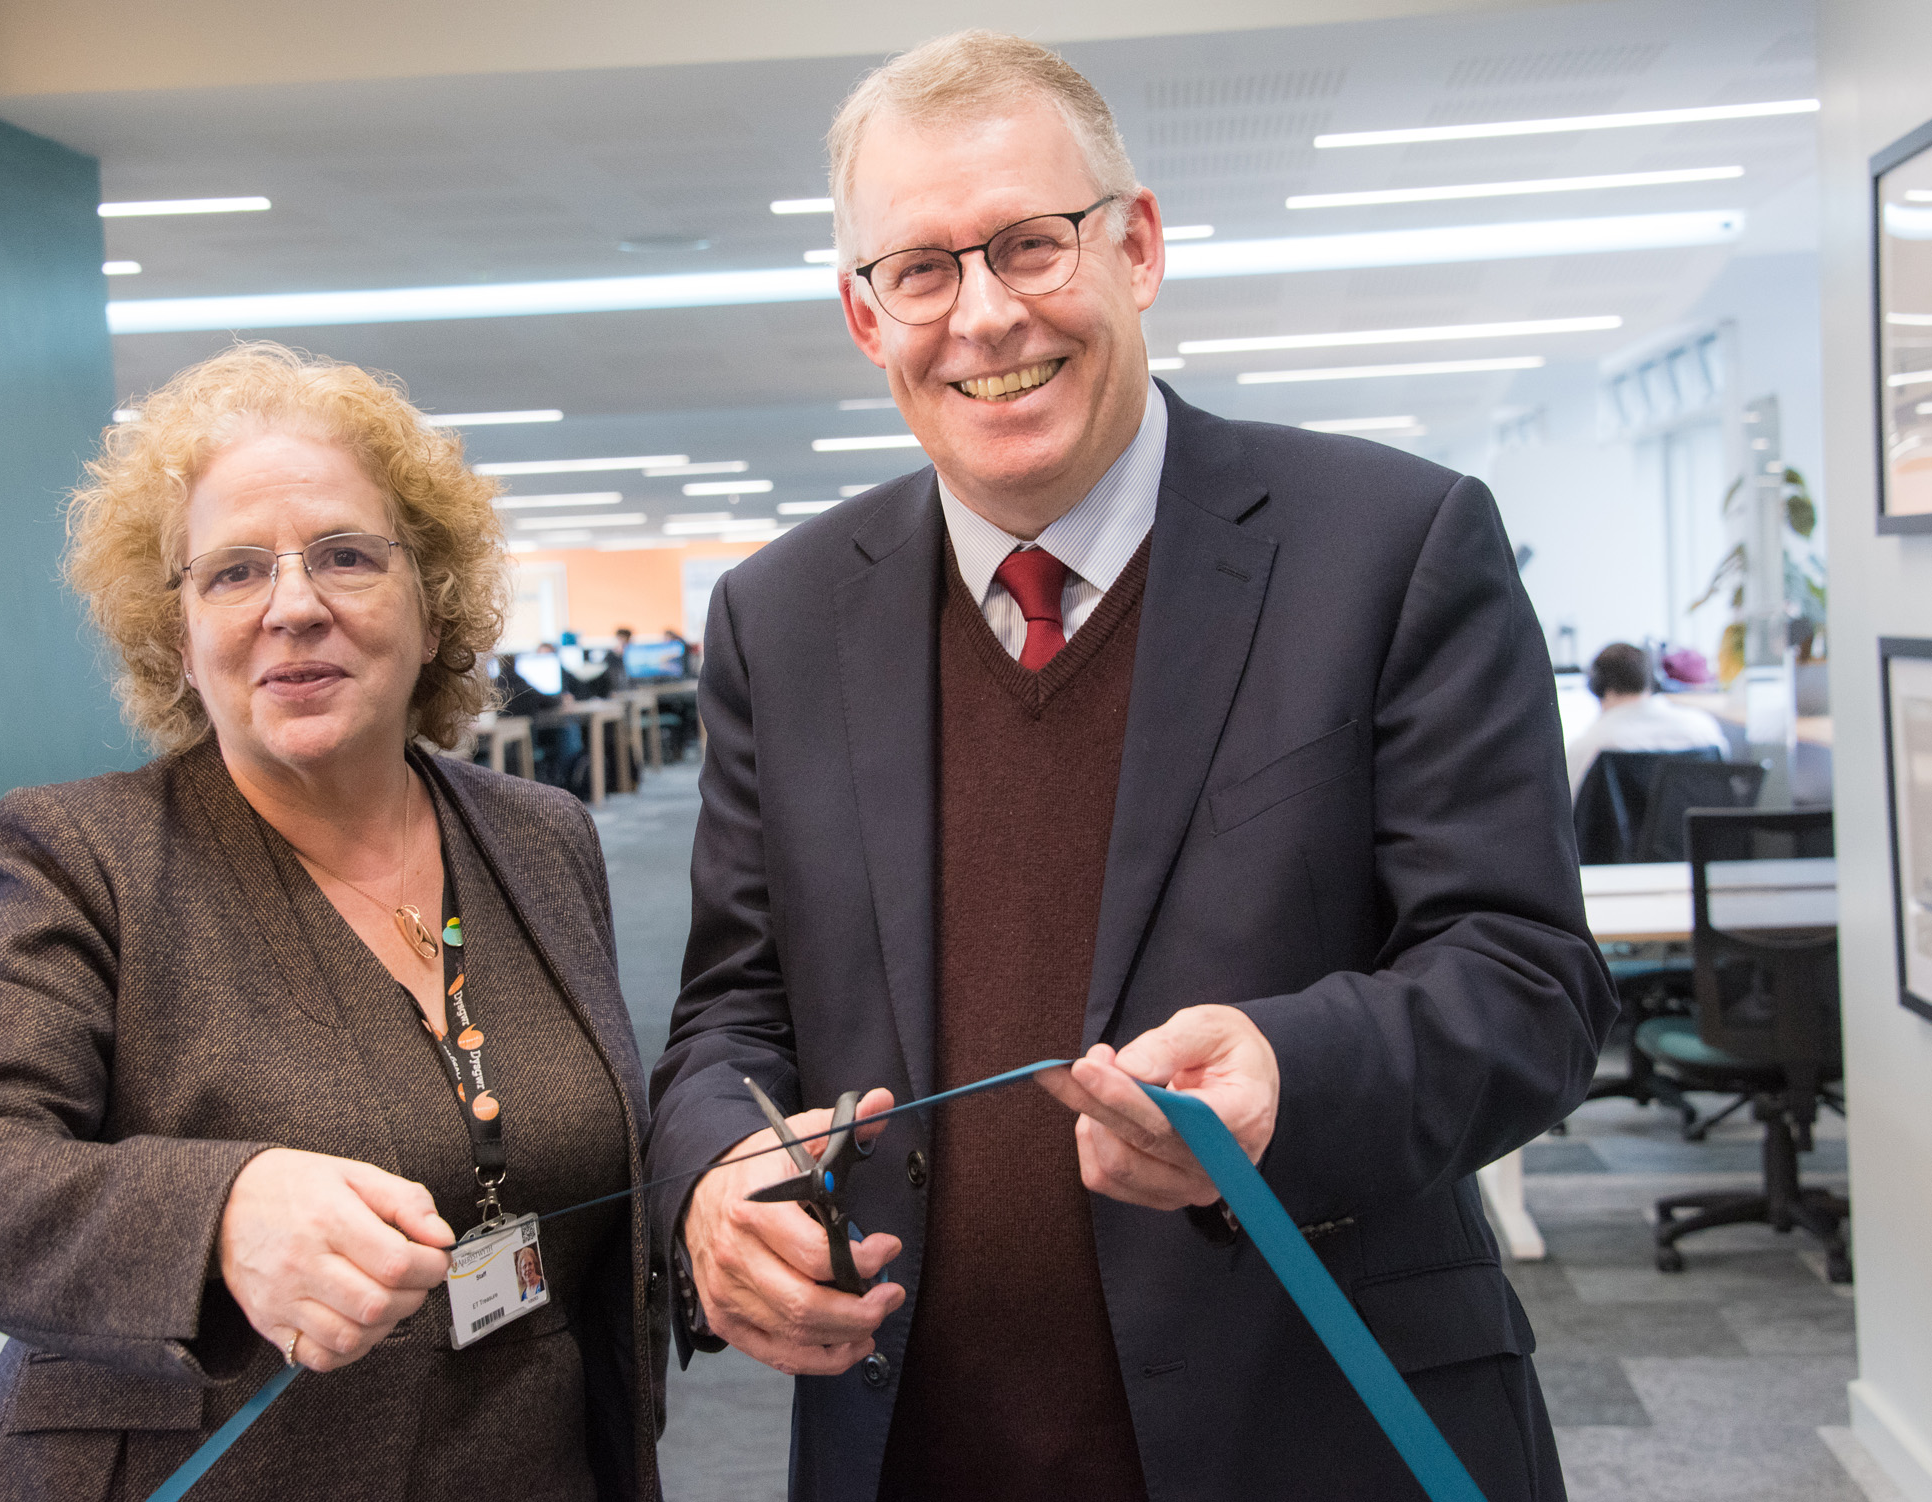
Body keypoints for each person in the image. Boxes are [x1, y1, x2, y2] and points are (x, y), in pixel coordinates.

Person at [645, 31, 1613, 1502]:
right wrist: (713, 1176)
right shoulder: (778, 616)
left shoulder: (1388, 546)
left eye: (1030, 245)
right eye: (919, 270)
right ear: (862, 315)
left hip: (1314, 1428)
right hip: (917, 1446)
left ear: (1137, 246)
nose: (982, 316)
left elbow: (1525, 981)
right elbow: (733, 1005)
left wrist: (1291, 1073)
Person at [0, 344, 662, 1502]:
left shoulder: (539, 837)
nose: (294, 606)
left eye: (345, 555)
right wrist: (219, 1212)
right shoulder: (87, 855)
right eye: (234, 572)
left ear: (432, 606)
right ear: (177, 634)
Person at [1566, 641, 1729, 794]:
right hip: (1688, 824)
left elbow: (1567, 810)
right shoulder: (1704, 729)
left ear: (1598, 687)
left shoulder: (1591, 745)